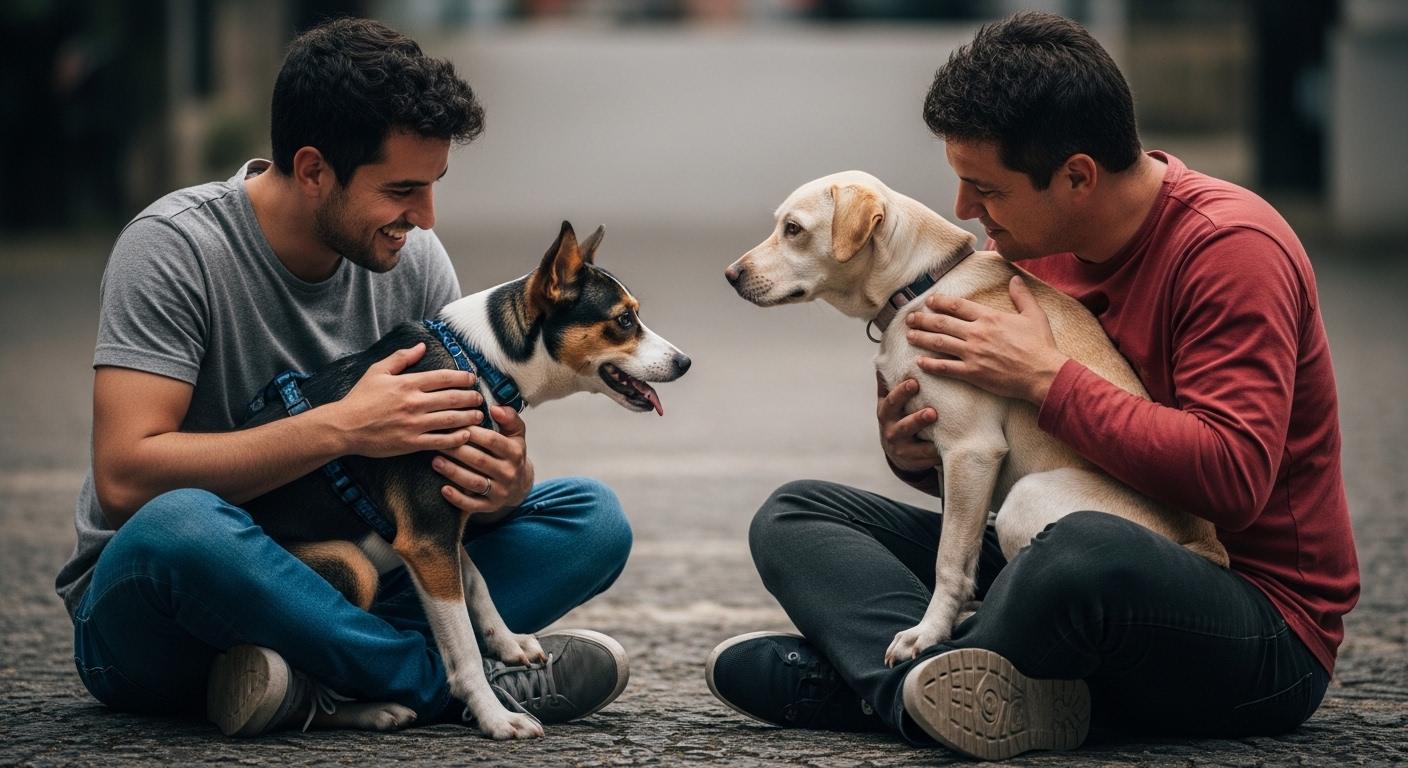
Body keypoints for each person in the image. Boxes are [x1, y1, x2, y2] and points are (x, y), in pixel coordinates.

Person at [705, 11, 1358, 761]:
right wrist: (917, 449)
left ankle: (867, 684)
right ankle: (935, 686)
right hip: (1051, 546)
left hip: (1251, 622)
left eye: (986, 189)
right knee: (797, 515)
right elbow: (1011, 452)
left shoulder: (1232, 251)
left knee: (1078, 553)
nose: (964, 212)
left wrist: (1048, 379)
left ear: (1077, 176)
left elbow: (1234, 479)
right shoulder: (1029, 247)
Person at [55, 18, 633, 736]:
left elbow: (430, 506)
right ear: (312, 170)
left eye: (433, 187)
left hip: (349, 580)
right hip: (164, 611)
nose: (424, 219)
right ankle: (455, 684)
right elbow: (124, 483)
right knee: (180, 523)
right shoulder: (175, 250)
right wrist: (342, 426)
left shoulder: (414, 261)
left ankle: (311, 686)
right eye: (401, 190)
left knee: (590, 518)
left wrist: (500, 486)